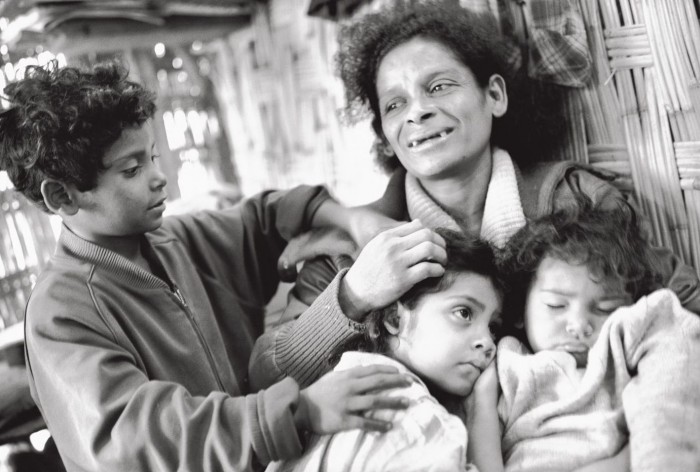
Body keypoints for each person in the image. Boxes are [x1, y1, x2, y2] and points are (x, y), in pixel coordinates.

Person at [0, 61, 448, 472]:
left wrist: (349, 218)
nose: (159, 177)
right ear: (62, 197)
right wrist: (300, 411)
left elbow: (264, 218)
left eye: (152, 156)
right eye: (132, 169)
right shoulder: (61, 315)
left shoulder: (172, 241)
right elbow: (138, 441)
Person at [249, 0, 700, 391]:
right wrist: (353, 297)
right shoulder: (350, 249)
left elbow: (683, 303)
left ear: (495, 96)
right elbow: (266, 378)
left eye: (439, 86)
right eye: (394, 104)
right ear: (386, 138)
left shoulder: (574, 201)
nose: (419, 111)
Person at [467, 201, 700, 472]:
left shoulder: (625, 348)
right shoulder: (507, 361)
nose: (579, 326)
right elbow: (480, 434)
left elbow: (674, 372)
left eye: (605, 308)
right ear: (520, 307)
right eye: (556, 305)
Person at [268, 229, 502, 472]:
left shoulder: (322, 396)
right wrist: (483, 408)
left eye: (493, 328)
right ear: (395, 319)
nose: (488, 342)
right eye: (464, 313)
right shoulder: (420, 425)